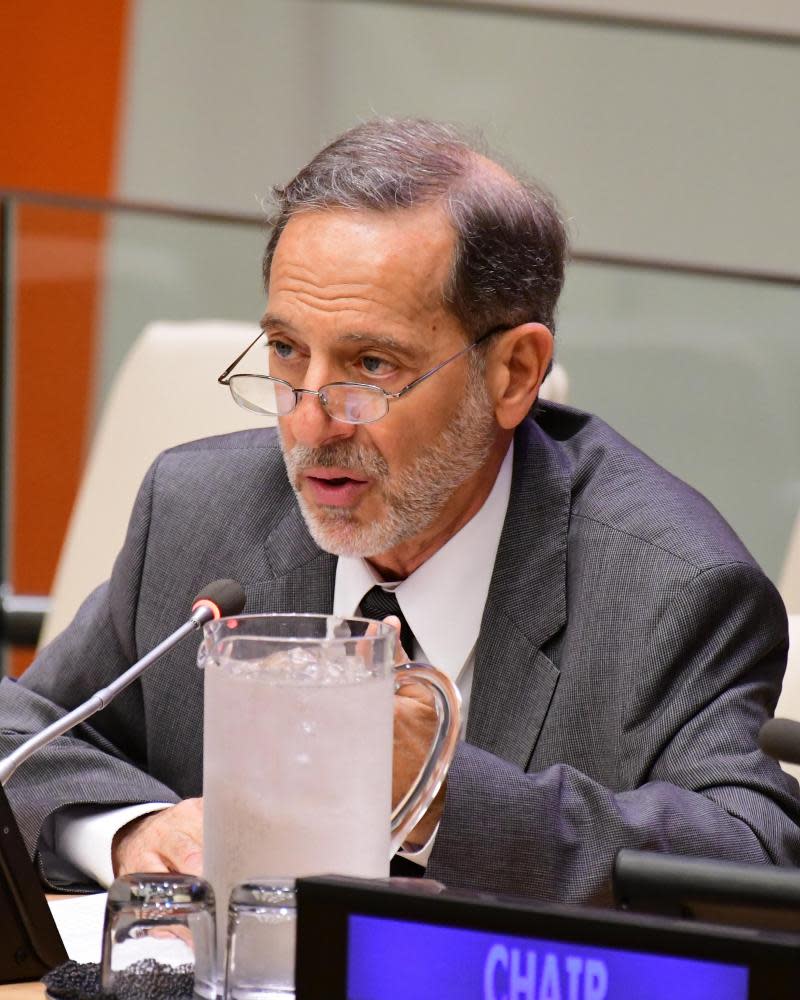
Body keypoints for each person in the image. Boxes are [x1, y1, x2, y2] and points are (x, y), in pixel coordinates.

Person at [1, 119, 798, 903]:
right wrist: (134, 830)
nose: (310, 422)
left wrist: (445, 789)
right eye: (286, 351)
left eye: (371, 365)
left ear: (514, 373)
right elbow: (21, 730)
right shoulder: (199, 512)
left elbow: (754, 867)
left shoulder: (668, 588)